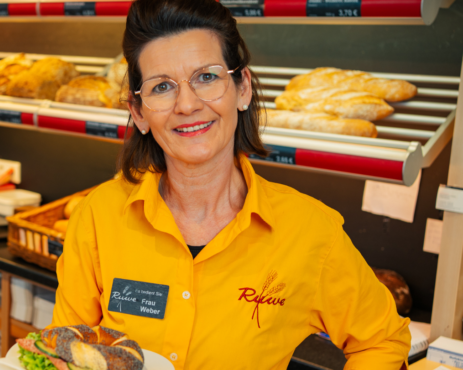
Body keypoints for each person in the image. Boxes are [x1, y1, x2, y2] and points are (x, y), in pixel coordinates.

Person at [49, 0, 411, 369]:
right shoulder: (99, 216)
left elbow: (382, 341)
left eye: (207, 77)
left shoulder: (309, 232)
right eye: (162, 87)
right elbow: (66, 346)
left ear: (242, 88)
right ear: (138, 112)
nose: (187, 104)